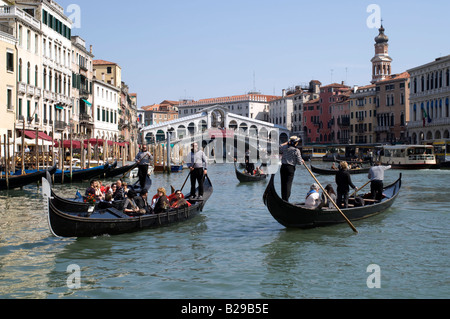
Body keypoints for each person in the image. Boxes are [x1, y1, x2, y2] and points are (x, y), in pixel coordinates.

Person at [279, 136, 304, 202]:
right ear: (295, 143)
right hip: (290, 168)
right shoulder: (296, 150)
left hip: (283, 167)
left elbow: (278, 147)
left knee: (283, 184)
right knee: (288, 184)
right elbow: (299, 163)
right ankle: (286, 200)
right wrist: (302, 161)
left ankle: (283, 199)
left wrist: (285, 143)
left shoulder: (284, 148)